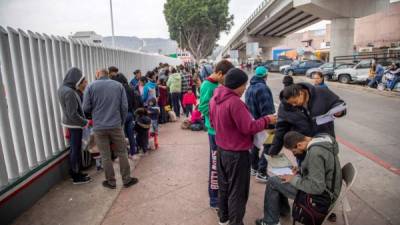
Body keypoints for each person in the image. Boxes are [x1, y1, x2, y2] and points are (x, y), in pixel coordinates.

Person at [209, 68, 277, 225]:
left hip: (221, 151)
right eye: (244, 85)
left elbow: (213, 123)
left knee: (224, 187)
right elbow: (249, 127)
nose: (245, 88)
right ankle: (235, 222)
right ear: (237, 85)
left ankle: (224, 219)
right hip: (237, 155)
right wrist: (267, 120)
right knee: (238, 192)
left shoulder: (215, 99)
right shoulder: (234, 103)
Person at [255, 131, 342, 225]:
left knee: (273, 181)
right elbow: (321, 168)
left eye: (294, 151)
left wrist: (293, 179)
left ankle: (270, 222)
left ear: (299, 144)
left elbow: (317, 187)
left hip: (322, 198)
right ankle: (283, 210)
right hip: (330, 189)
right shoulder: (320, 139)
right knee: (281, 179)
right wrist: (301, 169)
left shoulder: (315, 153)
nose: (294, 154)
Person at [83, 69, 138, 189]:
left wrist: (96, 113)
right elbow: (124, 107)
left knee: (105, 155)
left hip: (99, 127)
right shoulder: (118, 86)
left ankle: (111, 181)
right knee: (122, 152)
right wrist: (121, 122)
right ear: (108, 75)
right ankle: (126, 179)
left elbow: (86, 107)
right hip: (115, 125)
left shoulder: (90, 87)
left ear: (97, 75)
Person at [269, 83, 346, 158]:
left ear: (301, 93)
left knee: (326, 168)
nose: (293, 105)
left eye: (295, 102)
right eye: (291, 103)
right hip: (303, 149)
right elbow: (280, 130)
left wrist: (339, 112)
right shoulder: (285, 107)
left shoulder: (321, 92)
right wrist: (274, 150)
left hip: (325, 143)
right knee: (304, 169)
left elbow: (338, 103)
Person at [199, 60, 234, 210]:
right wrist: (216, 120)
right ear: (219, 73)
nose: (226, 80)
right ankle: (214, 200)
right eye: (225, 77)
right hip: (214, 131)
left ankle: (220, 195)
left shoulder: (217, 84)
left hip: (219, 131)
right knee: (215, 165)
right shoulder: (208, 85)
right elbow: (203, 107)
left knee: (220, 164)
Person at [58, 67, 91, 184]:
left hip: (70, 124)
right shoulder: (69, 92)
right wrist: (85, 122)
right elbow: (73, 113)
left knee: (74, 149)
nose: (81, 82)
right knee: (75, 150)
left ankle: (75, 172)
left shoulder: (62, 89)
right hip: (75, 125)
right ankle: (76, 175)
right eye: (81, 79)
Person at [245, 66, 275, 183]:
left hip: (253, 122)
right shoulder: (263, 88)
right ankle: (261, 172)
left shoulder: (249, 88)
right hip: (264, 123)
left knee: (255, 146)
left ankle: (254, 167)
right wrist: (271, 125)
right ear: (265, 76)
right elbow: (267, 108)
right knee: (269, 145)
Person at [112, 73, 137, 158]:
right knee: (131, 135)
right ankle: (133, 152)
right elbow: (134, 102)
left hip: (121, 115)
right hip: (130, 113)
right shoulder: (131, 88)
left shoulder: (118, 90)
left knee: (122, 136)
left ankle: (125, 153)